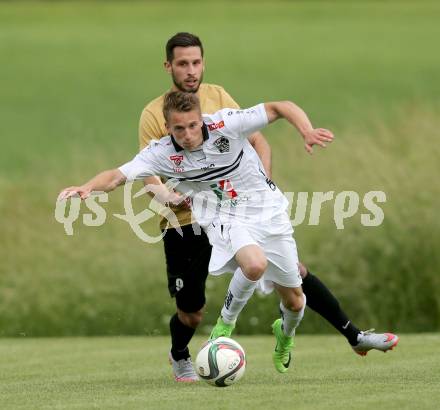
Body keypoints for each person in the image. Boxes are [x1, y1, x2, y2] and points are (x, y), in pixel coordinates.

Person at [137, 33, 399, 381]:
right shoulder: (154, 114)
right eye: (182, 63)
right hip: (186, 221)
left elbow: (257, 141)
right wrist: (169, 198)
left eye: (196, 62)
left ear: (203, 62)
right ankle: (180, 354)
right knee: (192, 313)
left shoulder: (217, 97)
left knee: (295, 274)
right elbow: (148, 176)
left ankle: (355, 337)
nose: (190, 70)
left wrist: (258, 192)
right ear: (168, 66)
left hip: (238, 213)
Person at [59, 91, 336, 374]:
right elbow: (117, 176)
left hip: (269, 213)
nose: (188, 134)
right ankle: (224, 327)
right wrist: (87, 188)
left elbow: (280, 106)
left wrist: (307, 130)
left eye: (193, 125)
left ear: (201, 119)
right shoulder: (161, 152)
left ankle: (285, 337)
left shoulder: (225, 124)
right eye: (179, 128)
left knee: (295, 301)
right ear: (168, 128)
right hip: (226, 215)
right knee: (254, 265)